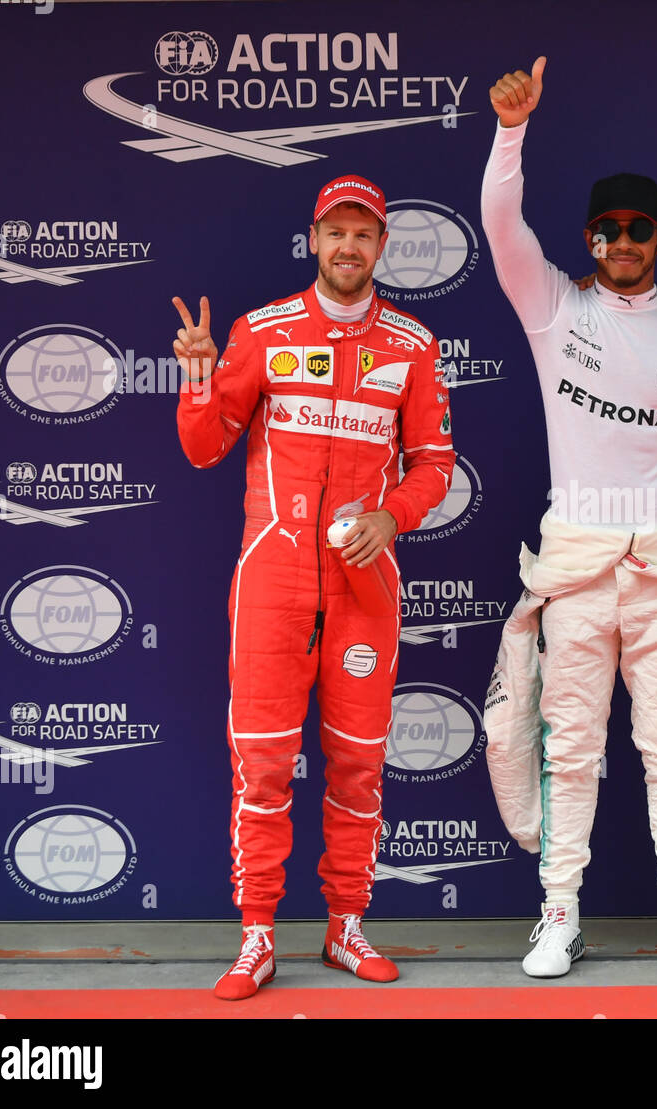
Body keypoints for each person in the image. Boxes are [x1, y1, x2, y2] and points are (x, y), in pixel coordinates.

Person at [481, 57, 657, 978]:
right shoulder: (553, 307)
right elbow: (500, 226)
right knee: (570, 750)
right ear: (591, 238)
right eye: (608, 228)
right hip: (575, 568)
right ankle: (559, 915)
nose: (623, 240)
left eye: (638, 228)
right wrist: (512, 131)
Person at [171, 175, 455, 1000]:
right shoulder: (261, 331)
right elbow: (204, 447)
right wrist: (197, 377)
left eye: (363, 234)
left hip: (366, 584)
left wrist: (393, 518)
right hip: (274, 580)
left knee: (359, 768)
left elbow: (435, 465)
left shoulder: (413, 344)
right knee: (261, 765)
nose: (348, 247)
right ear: (312, 239)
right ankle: (257, 934)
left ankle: (346, 927)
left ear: (382, 247)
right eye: (336, 231)